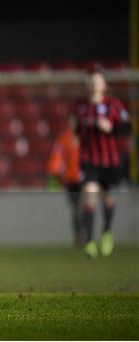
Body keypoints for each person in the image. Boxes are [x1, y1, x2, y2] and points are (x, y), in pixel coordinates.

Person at [73, 70, 130, 258]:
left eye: (97, 82)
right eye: (91, 81)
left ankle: (106, 232)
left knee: (108, 200)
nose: (94, 85)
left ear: (104, 85)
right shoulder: (81, 107)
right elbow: (76, 130)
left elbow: (126, 127)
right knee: (89, 196)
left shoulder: (113, 105)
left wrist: (111, 128)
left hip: (111, 162)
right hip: (89, 161)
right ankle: (89, 242)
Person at [47, 113, 82, 248]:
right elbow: (57, 157)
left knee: (85, 206)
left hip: (84, 178)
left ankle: (86, 236)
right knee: (75, 209)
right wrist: (53, 175)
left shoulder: (85, 138)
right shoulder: (63, 139)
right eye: (71, 122)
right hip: (70, 179)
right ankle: (78, 237)